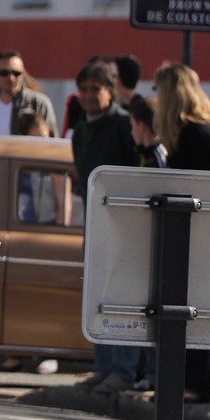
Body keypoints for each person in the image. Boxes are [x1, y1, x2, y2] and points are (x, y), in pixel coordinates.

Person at [155, 60, 210, 402]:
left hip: (203, 232)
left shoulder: (197, 132)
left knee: (196, 309)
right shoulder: (186, 132)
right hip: (189, 232)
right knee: (183, 308)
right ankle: (185, 381)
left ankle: (199, 383)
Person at [69, 58, 139, 395]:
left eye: (95, 89)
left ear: (109, 92)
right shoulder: (81, 130)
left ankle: (124, 369)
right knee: (96, 294)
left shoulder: (124, 124)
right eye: (83, 90)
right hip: (94, 219)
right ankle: (105, 365)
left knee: (121, 296)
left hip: (124, 224)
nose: (88, 95)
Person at [0, 49, 58, 137]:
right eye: (4, 73)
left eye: (16, 73)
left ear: (23, 75)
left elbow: (53, 141)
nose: (11, 78)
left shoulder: (38, 103)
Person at [128, 95, 166, 169]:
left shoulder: (160, 158)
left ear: (141, 126)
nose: (131, 132)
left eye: (132, 126)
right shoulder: (142, 155)